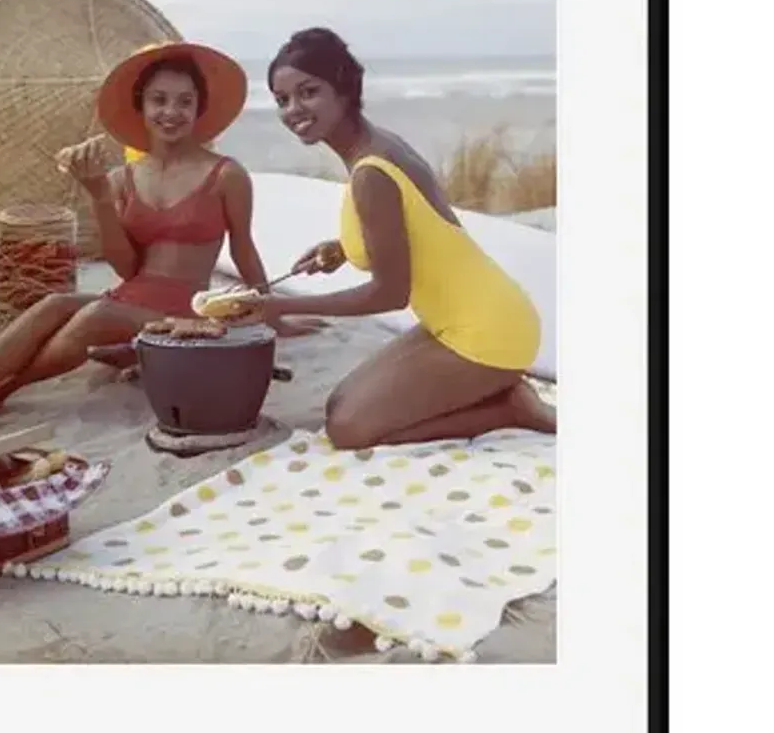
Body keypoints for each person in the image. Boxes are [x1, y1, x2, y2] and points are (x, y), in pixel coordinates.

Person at [0, 41, 301, 430]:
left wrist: (272, 314)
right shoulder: (122, 180)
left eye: (185, 101)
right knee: (53, 304)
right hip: (131, 298)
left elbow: (244, 249)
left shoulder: (227, 175)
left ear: (199, 109)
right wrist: (99, 197)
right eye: (159, 100)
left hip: (188, 309)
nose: (171, 112)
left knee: (96, 314)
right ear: (142, 107)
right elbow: (128, 268)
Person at [235, 28, 555, 450]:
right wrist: (341, 249)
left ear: (345, 89)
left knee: (347, 431)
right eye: (282, 99)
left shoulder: (371, 172)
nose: (293, 109)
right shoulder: (376, 147)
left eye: (308, 92)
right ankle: (493, 391)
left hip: (488, 330)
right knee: (340, 405)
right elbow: (417, 228)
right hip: (456, 320)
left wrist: (281, 305)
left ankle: (510, 407)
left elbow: (390, 295)